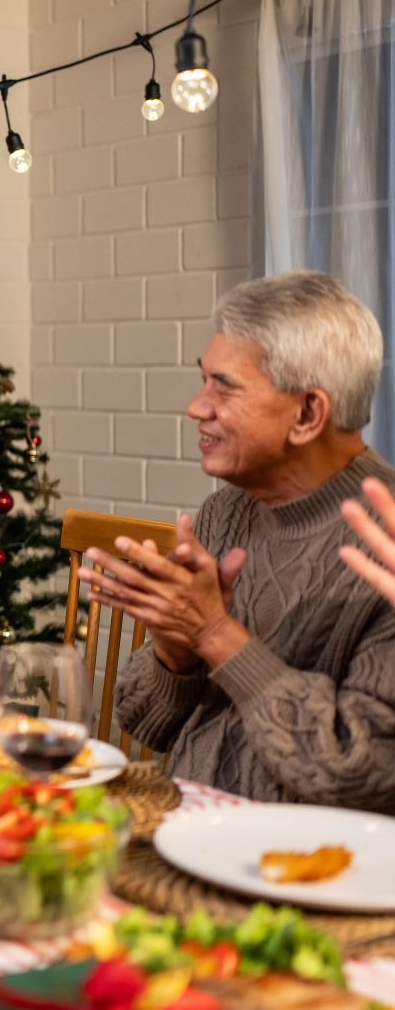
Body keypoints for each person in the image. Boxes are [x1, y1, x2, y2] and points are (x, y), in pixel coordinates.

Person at [80, 271, 395, 811]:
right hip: (182, 829)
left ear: (306, 414)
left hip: (300, 871)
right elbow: (145, 722)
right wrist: (174, 650)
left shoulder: (385, 545)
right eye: (203, 381)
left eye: (224, 386)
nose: (197, 407)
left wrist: (215, 636)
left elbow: (357, 771)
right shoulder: (226, 511)